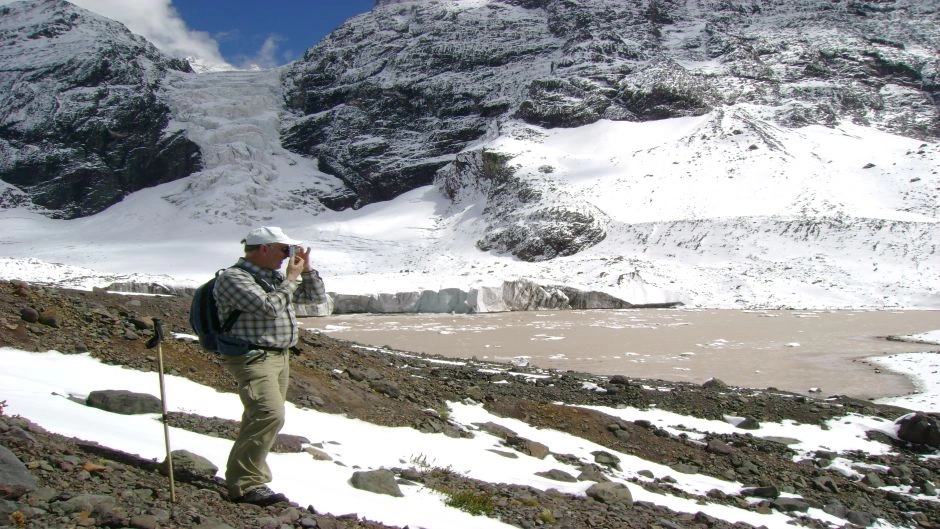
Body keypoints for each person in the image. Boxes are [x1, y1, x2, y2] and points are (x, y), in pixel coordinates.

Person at [213, 226, 328, 506]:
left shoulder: (274, 278)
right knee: (269, 413)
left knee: (262, 416)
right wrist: (290, 279)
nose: (286, 256)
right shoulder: (233, 278)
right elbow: (267, 307)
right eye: (283, 250)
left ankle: (247, 477)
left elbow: (315, 299)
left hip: (279, 357)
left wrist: (307, 271)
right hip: (252, 356)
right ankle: (246, 484)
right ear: (264, 248)